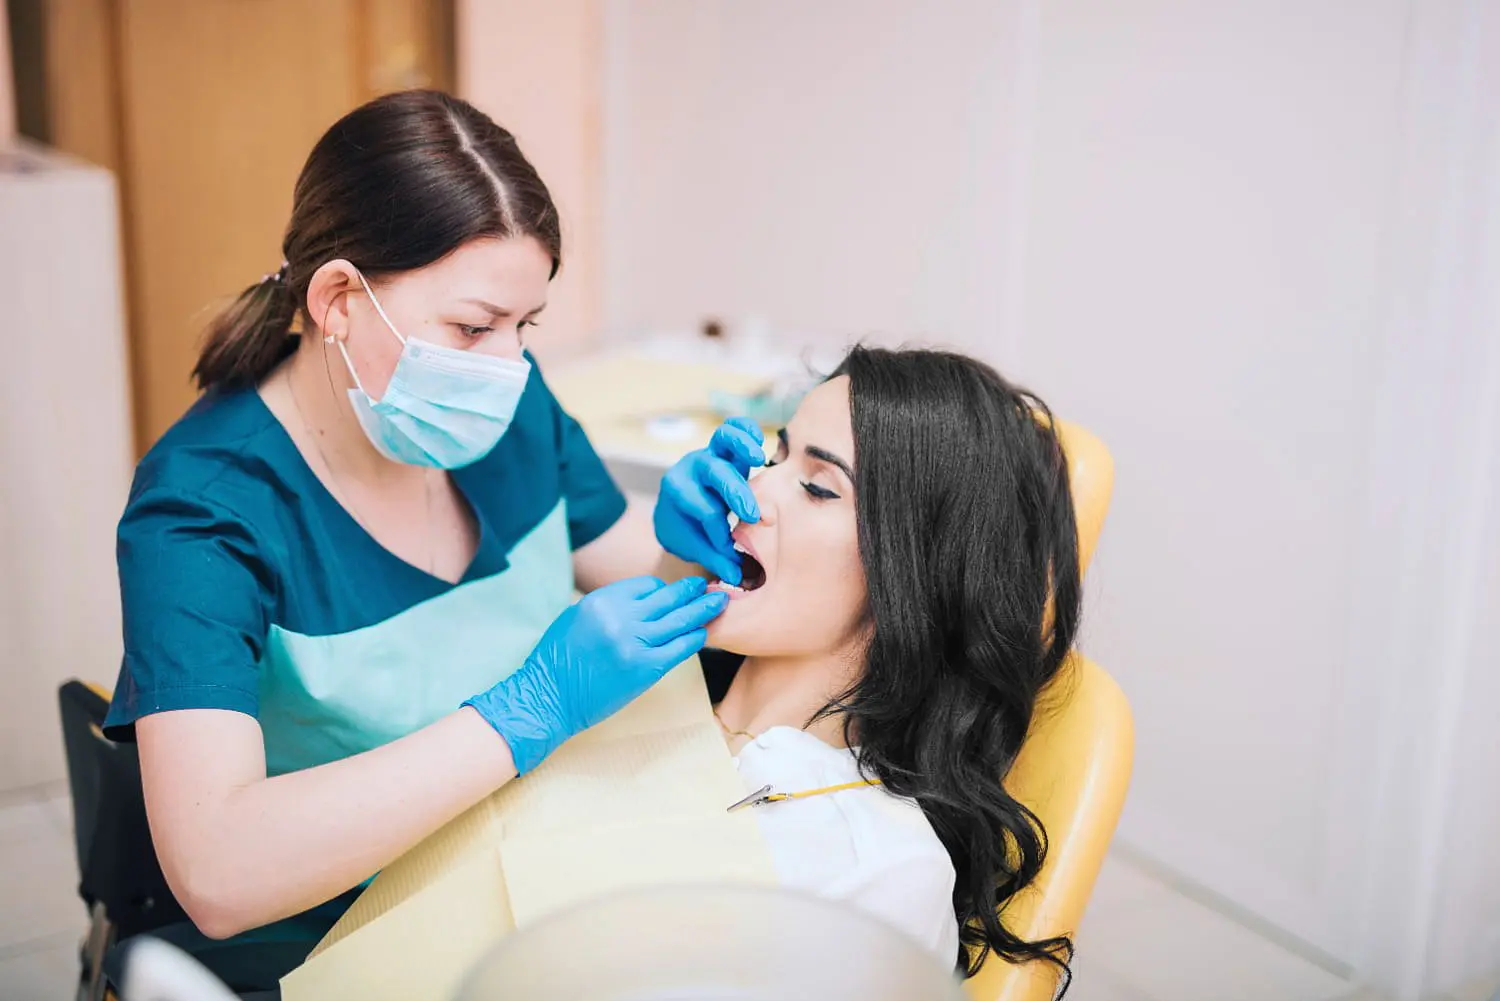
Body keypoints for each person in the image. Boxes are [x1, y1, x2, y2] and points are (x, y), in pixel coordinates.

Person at [103, 90, 732, 992]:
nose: (508, 364)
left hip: (520, 861)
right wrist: (528, 710)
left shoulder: (507, 405)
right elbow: (218, 872)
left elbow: (638, 579)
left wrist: (692, 544)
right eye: (473, 326)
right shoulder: (205, 507)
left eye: (527, 325)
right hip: (330, 930)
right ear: (338, 299)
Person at [654, 346, 1083, 985]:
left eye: (817, 486)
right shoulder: (645, 692)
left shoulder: (882, 872)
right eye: (774, 455)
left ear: (912, 577)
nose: (751, 488)